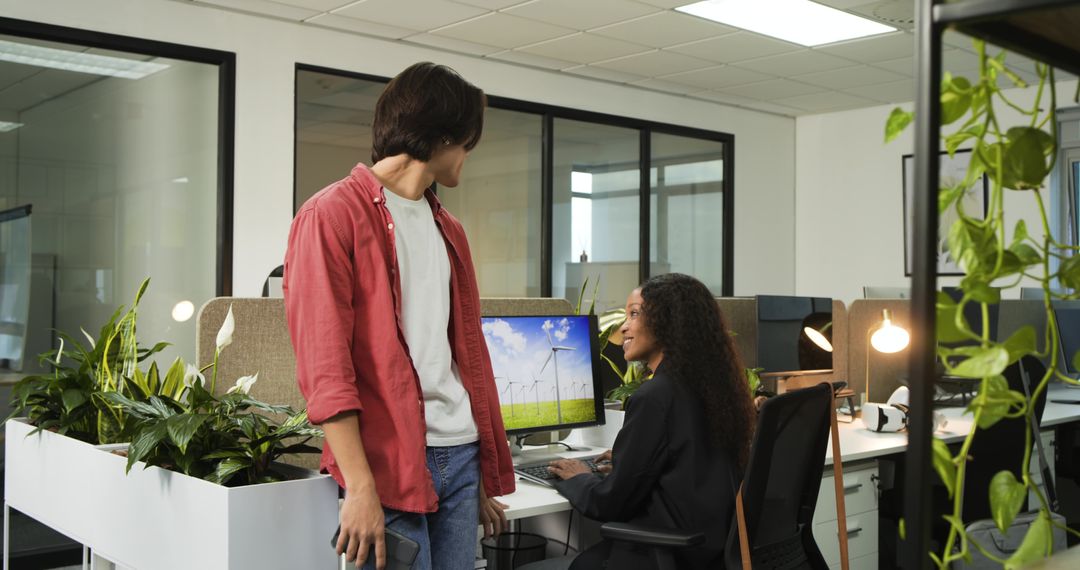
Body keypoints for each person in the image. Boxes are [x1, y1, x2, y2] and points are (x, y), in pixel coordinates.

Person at [283, 62, 515, 570]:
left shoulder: (449, 228)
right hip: (387, 464)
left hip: (461, 455)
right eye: (469, 141)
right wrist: (360, 487)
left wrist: (477, 472)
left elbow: (466, 356)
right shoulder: (330, 215)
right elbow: (326, 371)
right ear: (446, 134)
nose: (470, 154)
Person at [525, 273, 756, 570]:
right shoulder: (711, 387)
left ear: (667, 321)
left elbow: (608, 504)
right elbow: (688, 462)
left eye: (634, 314)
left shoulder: (656, 395)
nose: (623, 327)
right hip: (710, 551)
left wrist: (579, 476)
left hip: (667, 555)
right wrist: (627, 461)